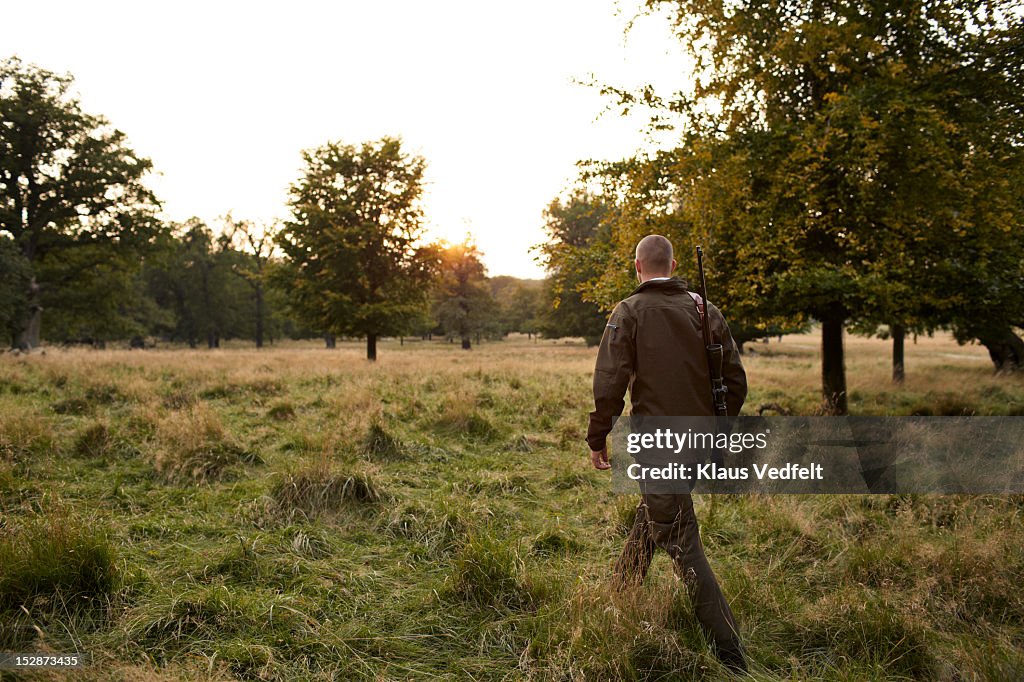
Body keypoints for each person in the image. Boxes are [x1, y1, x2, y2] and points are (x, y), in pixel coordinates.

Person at [586, 234, 749, 672]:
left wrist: (597, 436)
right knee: (657, 515)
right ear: (673, 264)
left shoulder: (628, 312)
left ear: (637, 266)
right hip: (699, 443)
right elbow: (736, 384)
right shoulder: (706, 310)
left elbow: (609, 384)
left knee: (678, 537)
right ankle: (621, 597)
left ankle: (731, 652)